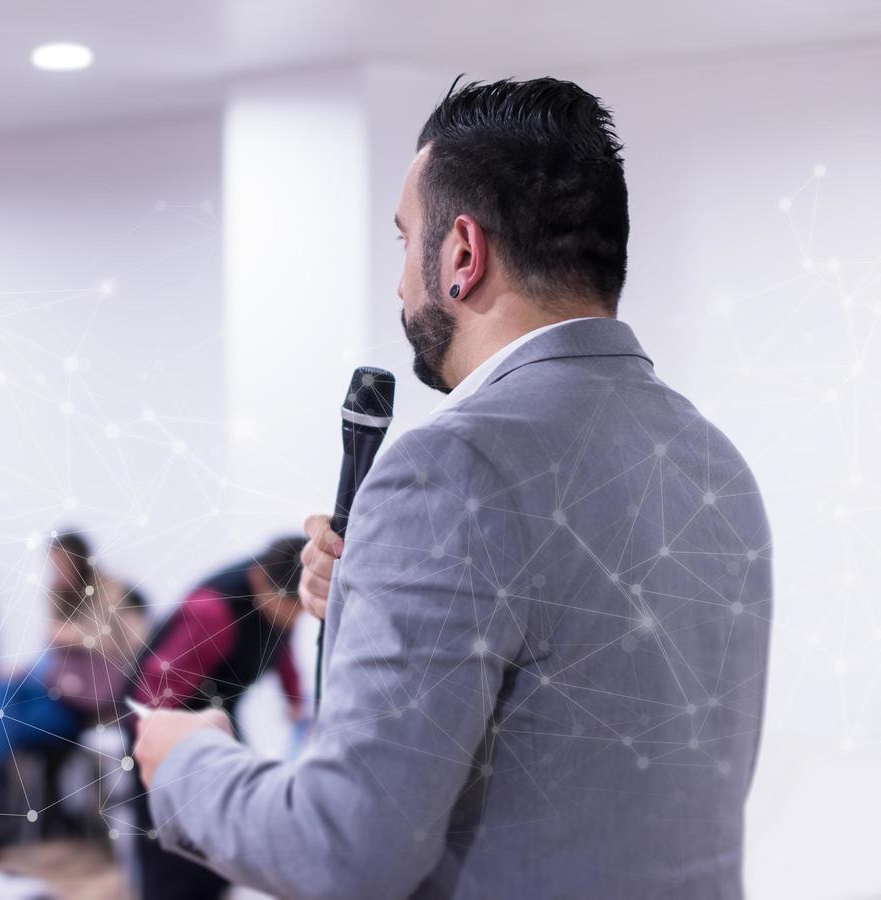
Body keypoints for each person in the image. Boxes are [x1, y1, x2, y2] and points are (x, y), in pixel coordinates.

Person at [133, 78, 773, 899]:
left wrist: (186, 761)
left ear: (461, 255)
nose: (400, 285)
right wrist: (378, 596)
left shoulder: (451, 468)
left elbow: (342, 852)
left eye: (405, 243)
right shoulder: (711, 460)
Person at [126, 535, 308, 899]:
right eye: (291, 607)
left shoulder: (278, 599)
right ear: (259, 581)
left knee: (226, 828)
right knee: (174, 853)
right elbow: (154, 695)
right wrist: (169, 761)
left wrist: (296, 699)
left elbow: (279, 644)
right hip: (165, 721)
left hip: (215, 715)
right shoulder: (212, 613)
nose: (296, 618)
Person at [0, 531, 146, 764]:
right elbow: (51, 656)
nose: (58, 572)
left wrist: (77, 636)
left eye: (63, 565)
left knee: (10, 720)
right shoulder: (58, 595)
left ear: (80, 562)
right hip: (56, 688)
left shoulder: (113, 596)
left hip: (89, 706)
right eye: (54, 566)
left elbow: (133, 650)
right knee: (0, 693)